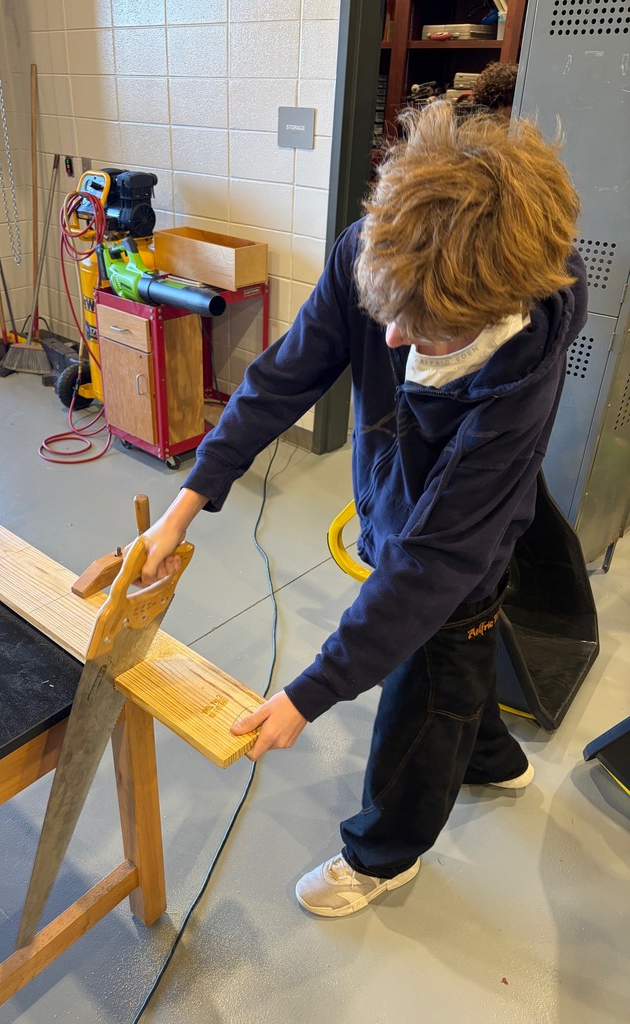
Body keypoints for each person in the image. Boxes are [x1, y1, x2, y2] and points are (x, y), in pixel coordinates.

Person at [140, 102, 586, 918]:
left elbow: (435, 562)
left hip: (462, 547)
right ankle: (492, 757)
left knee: (429, 684)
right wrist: (185, 504)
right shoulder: (381, 253)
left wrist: (311, 693)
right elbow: (284, 376)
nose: (388, 343)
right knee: (455, 668)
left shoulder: (521, 368)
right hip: (399, 502)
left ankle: (383, 856)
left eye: (428, 333)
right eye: (388, 316)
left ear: (492, 314)